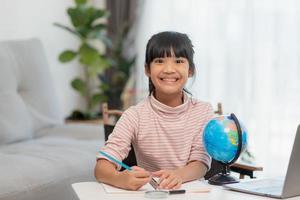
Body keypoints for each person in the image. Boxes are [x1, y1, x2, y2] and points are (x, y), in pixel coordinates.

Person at [94, 31, 214, 191]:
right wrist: (120, 178)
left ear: (190, 70)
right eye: (159, 61)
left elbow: (201, 163)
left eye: (178, 61)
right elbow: (101, 167)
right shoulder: (134, 115)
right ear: (147, 70)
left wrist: (179, 175)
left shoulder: (203, 111)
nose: (169, 69)